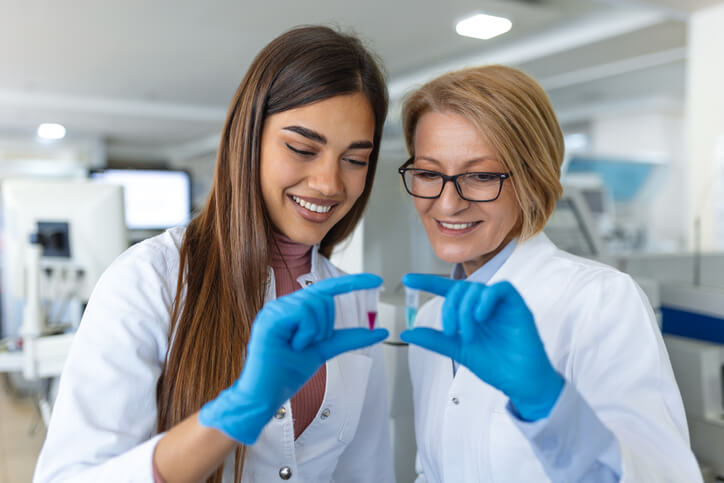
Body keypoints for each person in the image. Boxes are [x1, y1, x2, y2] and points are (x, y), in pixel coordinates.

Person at [34, 26, 394, 483]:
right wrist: (239, 409)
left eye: (355, 159)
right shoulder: (152, 279)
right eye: (302, 148)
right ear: (249, 139)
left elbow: (368, 471)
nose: (329, 183)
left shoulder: (351, 304)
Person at [396, 65, 702, 482]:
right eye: (429, 174)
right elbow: (432, 471)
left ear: (531, 179)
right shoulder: (432, 321)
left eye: (482, 176)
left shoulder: (601, 300)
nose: (447, 204)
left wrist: (547, 404)